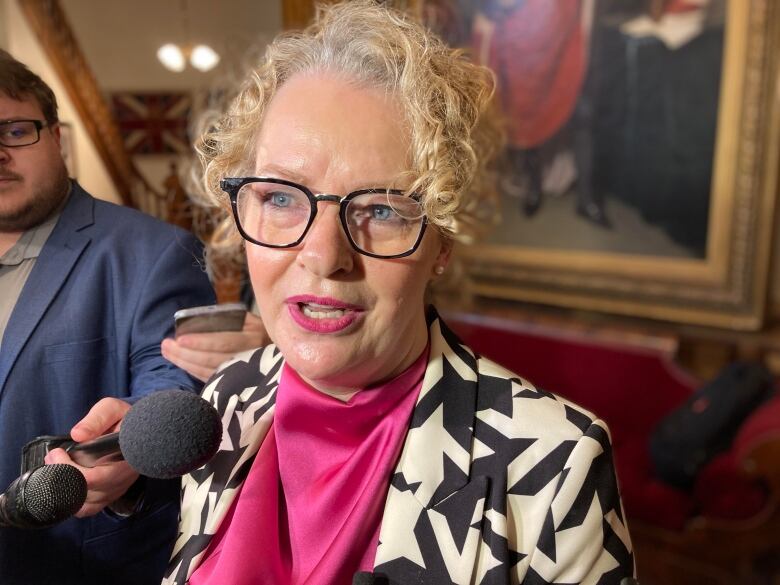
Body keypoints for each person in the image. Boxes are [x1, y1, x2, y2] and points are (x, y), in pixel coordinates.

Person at [82, 3, 635, 584]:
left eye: (380, 210)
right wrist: (124, 475)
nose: (323, 255)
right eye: (280, 198)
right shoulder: (231, 394)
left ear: (441, 242)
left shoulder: (556, 462)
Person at [0, 50, 219, 585]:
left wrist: (129, 441)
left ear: (56, 136)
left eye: (14, 130)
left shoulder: (154, 252)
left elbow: (172, 380)